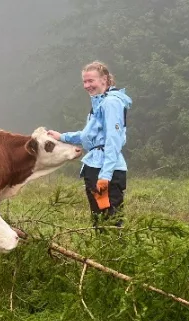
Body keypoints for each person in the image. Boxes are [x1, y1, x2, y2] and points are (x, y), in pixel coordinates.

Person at [48, 62, 132, 228]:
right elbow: (90, 135)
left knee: (110, 219)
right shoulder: (99, 102)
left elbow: (112, 141)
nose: (87, 86)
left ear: (104, 79)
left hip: (105, 169)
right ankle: (101, 252)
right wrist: (62, 137)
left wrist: (105, 176)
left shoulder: (111, 103)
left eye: (91, 81)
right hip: (94, 166)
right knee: (99, 219)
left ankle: (113, 252)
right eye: (84, 82)